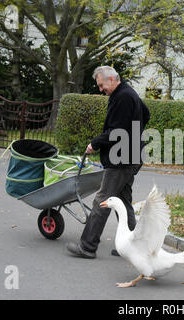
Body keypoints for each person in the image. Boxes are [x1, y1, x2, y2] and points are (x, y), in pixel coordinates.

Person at [66, 66, 150, 258]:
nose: (100, 89)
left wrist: (94, 144)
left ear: (111, 79)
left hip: (121, 159)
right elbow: (146, 114)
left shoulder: (123, 97)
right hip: (131, 155)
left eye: (101, 85)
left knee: (103, 200)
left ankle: (87, 247)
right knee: (123, 200)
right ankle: (133, 246)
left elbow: (115, 131)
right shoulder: (129, 93)